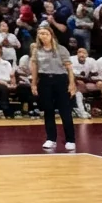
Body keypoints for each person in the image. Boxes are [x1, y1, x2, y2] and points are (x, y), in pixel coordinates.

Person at [30, 24, 76, 152]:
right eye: (40, 34)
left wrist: (72, 83)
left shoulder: (61, 49)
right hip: (44, 80)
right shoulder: (36, 50)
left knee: (65, 111)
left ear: (51, 35)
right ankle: (51, 138)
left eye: (45, 33)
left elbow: (69, 68)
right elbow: (34, 68)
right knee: (48, 110)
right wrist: (33, 83)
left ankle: (70, 140)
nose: (43, 36)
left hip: (60, 80)